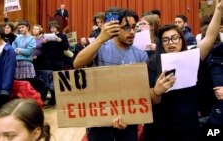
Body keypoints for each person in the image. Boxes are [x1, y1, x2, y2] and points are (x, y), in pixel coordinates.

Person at [144, 1, 223, 140]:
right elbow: (149, 99)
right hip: (161, 129)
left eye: (175, 38)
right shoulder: (153, 63)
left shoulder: (191, 57)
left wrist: (218, 10)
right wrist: (157, 91)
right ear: (161, 43)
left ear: (182, 40)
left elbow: (210, 37)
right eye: (166, 40)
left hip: (189, 127)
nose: (171, 42)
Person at [74, 8, 148, 141]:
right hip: (99, 117)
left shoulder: (141, 55)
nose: (132, 32)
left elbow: (140, 91)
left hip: (128, 119)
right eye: (126, 27)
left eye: (133, 27)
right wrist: (100, 39)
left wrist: (130, 117)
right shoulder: (101, 47)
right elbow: (77, 63)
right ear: (115, 28)